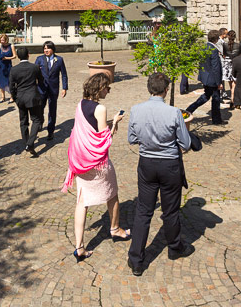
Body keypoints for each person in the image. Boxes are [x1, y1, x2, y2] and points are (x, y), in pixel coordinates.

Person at [127, 73, 193, 276]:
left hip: (147, 163)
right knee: (171, 209)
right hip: (169, 165)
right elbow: (186, 143)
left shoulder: (136, 110)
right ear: (165, 90)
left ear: (149, 89)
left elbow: (131, 138)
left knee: (143, 211)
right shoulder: (173, 113)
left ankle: (136, 259)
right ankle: (174, 247)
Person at [63, 73, 130, 262]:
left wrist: (110, 122)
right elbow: (103, 139)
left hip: (81, 163)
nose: (109, 90)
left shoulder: (80, 104)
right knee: (113, 194)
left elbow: (90, 129)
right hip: (97, 163)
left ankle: (79, 247)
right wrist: (115, 122)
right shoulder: (100, 108)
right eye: (108, 87)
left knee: (82, 202)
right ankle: (115, 229)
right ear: (100, 88)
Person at [8, 47, 46, 157]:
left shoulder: (14, 69)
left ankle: (26, 143)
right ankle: (30, 143)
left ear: (18, 56)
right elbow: (41, 81)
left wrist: (15, 97)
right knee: (36, 120)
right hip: (33, 96)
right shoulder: (34, 67)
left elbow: (11, 86)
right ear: (28, 55)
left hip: (20, 97)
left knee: (23, 121)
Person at [184, 30, 223, 124]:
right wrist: (219, 83)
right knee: (216, 99)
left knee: (206, 96)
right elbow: (216, 68)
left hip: (205, 77)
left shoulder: (204, 47)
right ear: (216, 39)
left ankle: (189, 110)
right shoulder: (213, 50)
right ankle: (216, 119)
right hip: (212, 78)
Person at [35, 41, 68, 141]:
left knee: (52, 110)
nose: (46, 50)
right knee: (40, 107)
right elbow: (34, 72)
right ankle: (40, 121)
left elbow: (64, 74)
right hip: (41, 88)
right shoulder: (39, 59)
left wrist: (64, 88)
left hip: (53, 89)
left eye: (48, 48)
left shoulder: (59, 60)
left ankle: (51, 131)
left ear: (52, 49)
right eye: (44, 48)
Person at [0, 34, 15, 103]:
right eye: (1, 40)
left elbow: (14, 56)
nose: (2, 41)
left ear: (6, 40)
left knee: (9, 80)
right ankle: (2, 96)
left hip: (8, 65)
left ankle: (12, 96)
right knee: (1, 80)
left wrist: (6, 58)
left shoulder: (11, 46)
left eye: (3, 40)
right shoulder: (0, 45)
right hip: (1, 66)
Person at [220, 30, 240, 104]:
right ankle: (233, 98)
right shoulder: (238, 45)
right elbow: (239, 55)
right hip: (235, 63)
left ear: (228, 36)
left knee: (230, 83)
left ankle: (232, 98)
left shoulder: (224, 45)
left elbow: (224, 55)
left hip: (227, 65)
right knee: (234, 83)